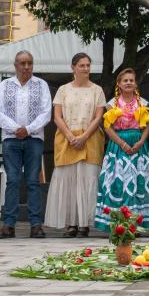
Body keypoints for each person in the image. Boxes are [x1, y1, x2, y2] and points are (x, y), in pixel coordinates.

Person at [0, 50, 52, 239]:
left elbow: (46, 112)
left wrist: (28, 129)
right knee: (13, 180)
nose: (26, 67)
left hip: (34, 139)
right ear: (15, 65)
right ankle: (8, 225)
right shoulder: (5, 85)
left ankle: (36, 225)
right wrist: (16, 128)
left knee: (33, 181)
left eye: (29, 63)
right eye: (22, 63)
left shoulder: (41, 85)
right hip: (11, 140)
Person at [46, 53, 105, 237]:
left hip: (90, 139)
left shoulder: (97, 90)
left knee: (87, 180)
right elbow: (57, 116)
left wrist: (84, 136)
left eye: (88, 65)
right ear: (73, 67)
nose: (86, 69)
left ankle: (84, 223)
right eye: (82, 65)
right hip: (67, 139)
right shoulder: (63, 90)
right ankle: (70, 223)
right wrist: (71, 136)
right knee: (69, 181)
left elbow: (98, 116)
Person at [93, 68, 149, 232]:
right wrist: (122, 143)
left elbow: (148, 125)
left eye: (131, 80)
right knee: (118, 182)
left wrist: (141, 141)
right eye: (125, 80)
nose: (128, 83)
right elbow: (108, 127)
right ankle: (117, 223)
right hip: (118, 146)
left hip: (138, 147)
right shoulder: (112, 104)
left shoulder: (143, 103)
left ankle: (136, 224)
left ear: (135, 83)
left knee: (137, 183)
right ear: (119, 84)